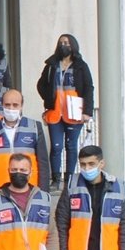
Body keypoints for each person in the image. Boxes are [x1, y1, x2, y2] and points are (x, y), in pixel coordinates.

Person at [37, 33, 95, 189]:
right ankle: (56, 178)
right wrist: (48, 99)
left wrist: (87, 111)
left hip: (74, 112)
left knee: (71, 145)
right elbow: (41, 85)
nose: (64, 45)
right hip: (55, 112)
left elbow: (89, 88)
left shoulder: (81, 65)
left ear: (73, 46)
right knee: (56, 146)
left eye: (67, 43)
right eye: (61, 42)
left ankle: (69, 179)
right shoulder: (51, 65)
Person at [0, 89, 51, 199]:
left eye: (15, 105)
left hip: (29, 193)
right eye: (7, 105)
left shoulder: (34, 127)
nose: (11, 109)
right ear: (2, 105)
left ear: (21, 106)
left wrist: (44, 195)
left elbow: (43, 164)